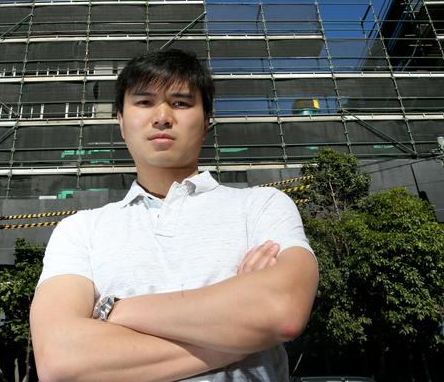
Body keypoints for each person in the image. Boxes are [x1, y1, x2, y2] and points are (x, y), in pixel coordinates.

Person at [30, 49, 319, 381]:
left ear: (207, 122)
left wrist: (112, 310)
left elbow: (281, 311)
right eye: (144, 102)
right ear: (121, 123)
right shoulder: (80, 230)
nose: (162, 116)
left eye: (181, 103)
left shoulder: (262, 206)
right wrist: (238, 335)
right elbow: (60, 360)